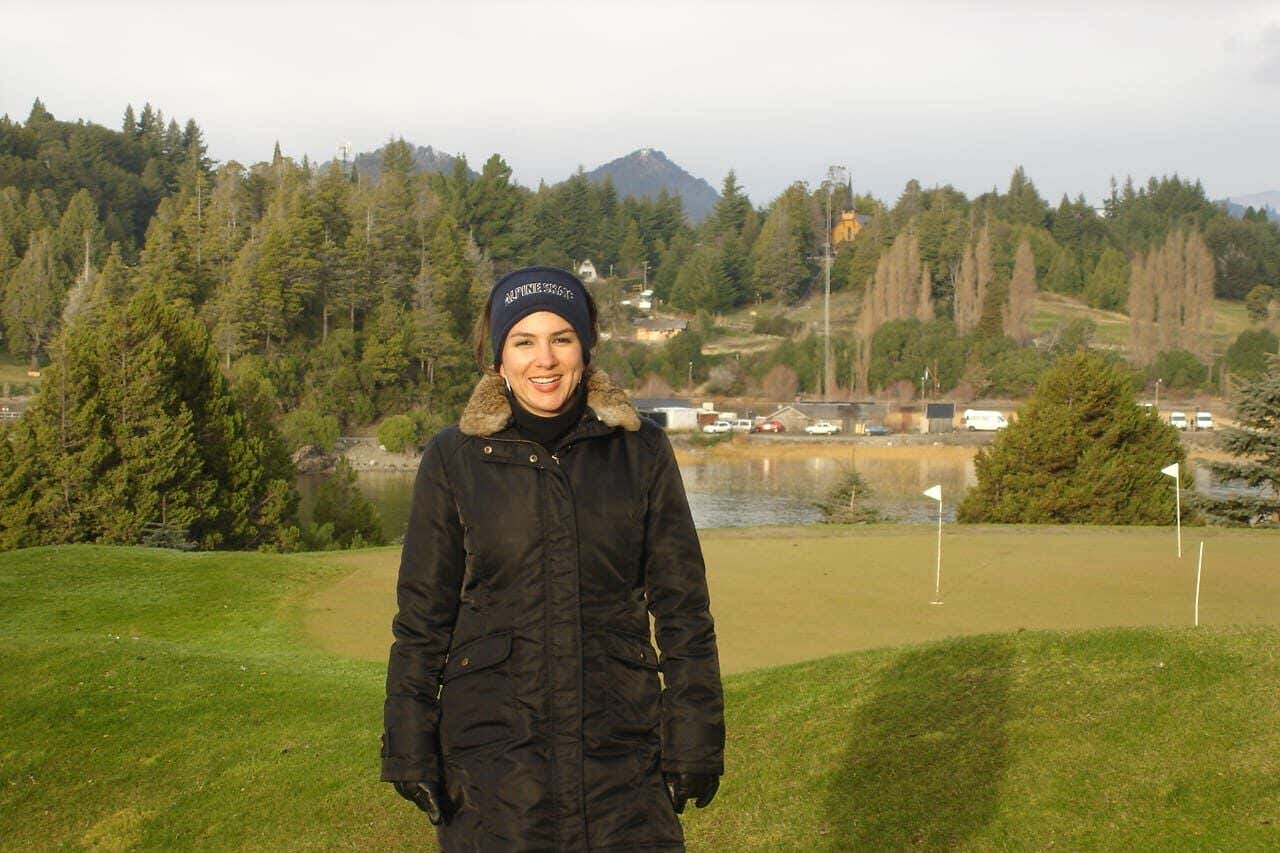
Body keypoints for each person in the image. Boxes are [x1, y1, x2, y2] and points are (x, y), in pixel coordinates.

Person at [380, 266, 725, 850]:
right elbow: (422, 619)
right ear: (499, 358)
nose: (545, 360)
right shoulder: (454, 458)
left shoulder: (640, 451)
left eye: (561, 339)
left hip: (621, 758)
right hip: (493, 763)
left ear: (585, 350)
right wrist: (408, 740)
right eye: (524, 341)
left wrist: (695, 738)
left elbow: (684, 608)